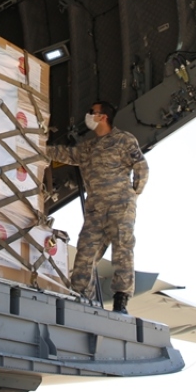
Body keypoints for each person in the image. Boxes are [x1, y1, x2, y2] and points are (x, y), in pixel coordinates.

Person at [47, 101, 148, 314]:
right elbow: (65, 154)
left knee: (122, 248)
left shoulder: (123, 140)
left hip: (120, 205)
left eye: (91, 112)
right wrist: (38, 147)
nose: (88, 115)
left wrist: (131, 194)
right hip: (95, 211)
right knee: (85, 253)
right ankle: (81, 297)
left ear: (102, 117)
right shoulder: (87, 148)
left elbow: (141, 167)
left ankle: (121, 300)